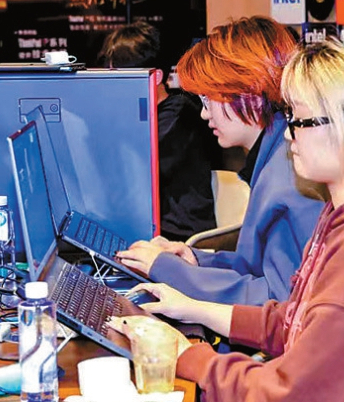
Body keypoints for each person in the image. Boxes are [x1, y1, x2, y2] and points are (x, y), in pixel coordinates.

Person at [112, 35, 344, 401]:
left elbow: (292, 392)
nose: (288, 134)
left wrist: (185, 354)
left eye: (300, 120)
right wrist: (195, 309)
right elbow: (296, 323)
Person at [115, 16, 325, 306]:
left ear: (249, 93)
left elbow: (276, 302)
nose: (204, 113)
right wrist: (195, 260)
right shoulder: (276, 157)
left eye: (208, 100)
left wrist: (167, 269)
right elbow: (255, 268)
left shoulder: (289, 179)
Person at [98, 21, 223, 241]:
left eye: (121, 76)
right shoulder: (142, 116)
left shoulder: (179, 115)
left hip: (178, 238)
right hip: (145, 231)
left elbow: (132, 174)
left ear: (155, 76)